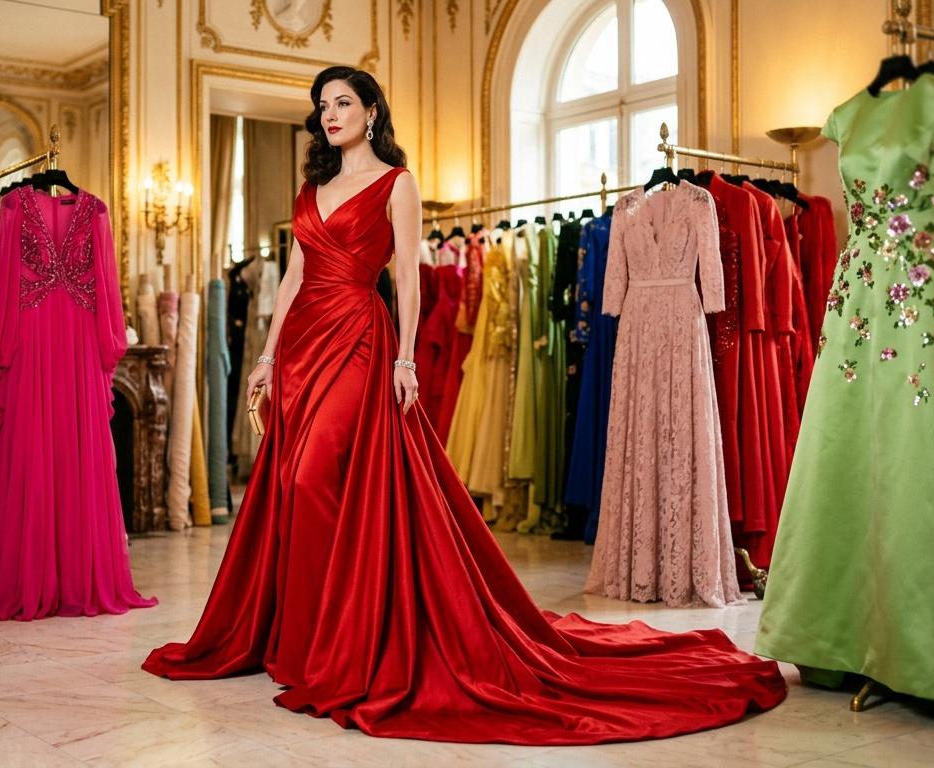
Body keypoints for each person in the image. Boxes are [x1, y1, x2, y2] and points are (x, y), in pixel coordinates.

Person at [142, 65, 786, 746]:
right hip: (302, 348)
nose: (329, 115)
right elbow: (299, 272)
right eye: (322, 106)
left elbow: (405, 279)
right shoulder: (313, 187)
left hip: (361, 339)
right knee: (298, 488)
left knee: (313, 481)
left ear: (370, 111)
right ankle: (302, 642)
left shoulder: (398, 183)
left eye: (342, 103)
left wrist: (405, 357)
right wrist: (269, 356)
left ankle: (342, 642)